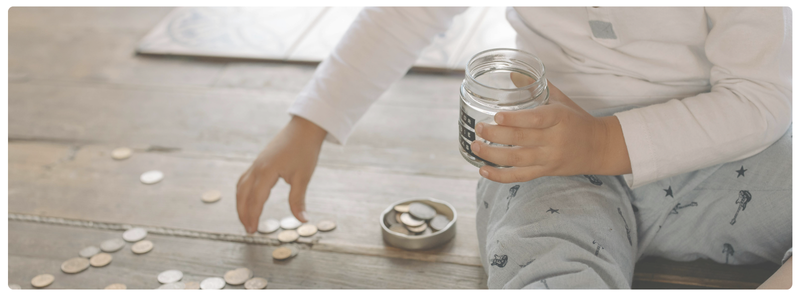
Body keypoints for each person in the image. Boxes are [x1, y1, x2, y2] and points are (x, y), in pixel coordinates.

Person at [235, 7, 792, 288]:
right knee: (542, 260)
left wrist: (605, 141)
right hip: (551, 164)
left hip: (719, 156)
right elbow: (408, 11)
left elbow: (761, 98)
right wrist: (310, 123)